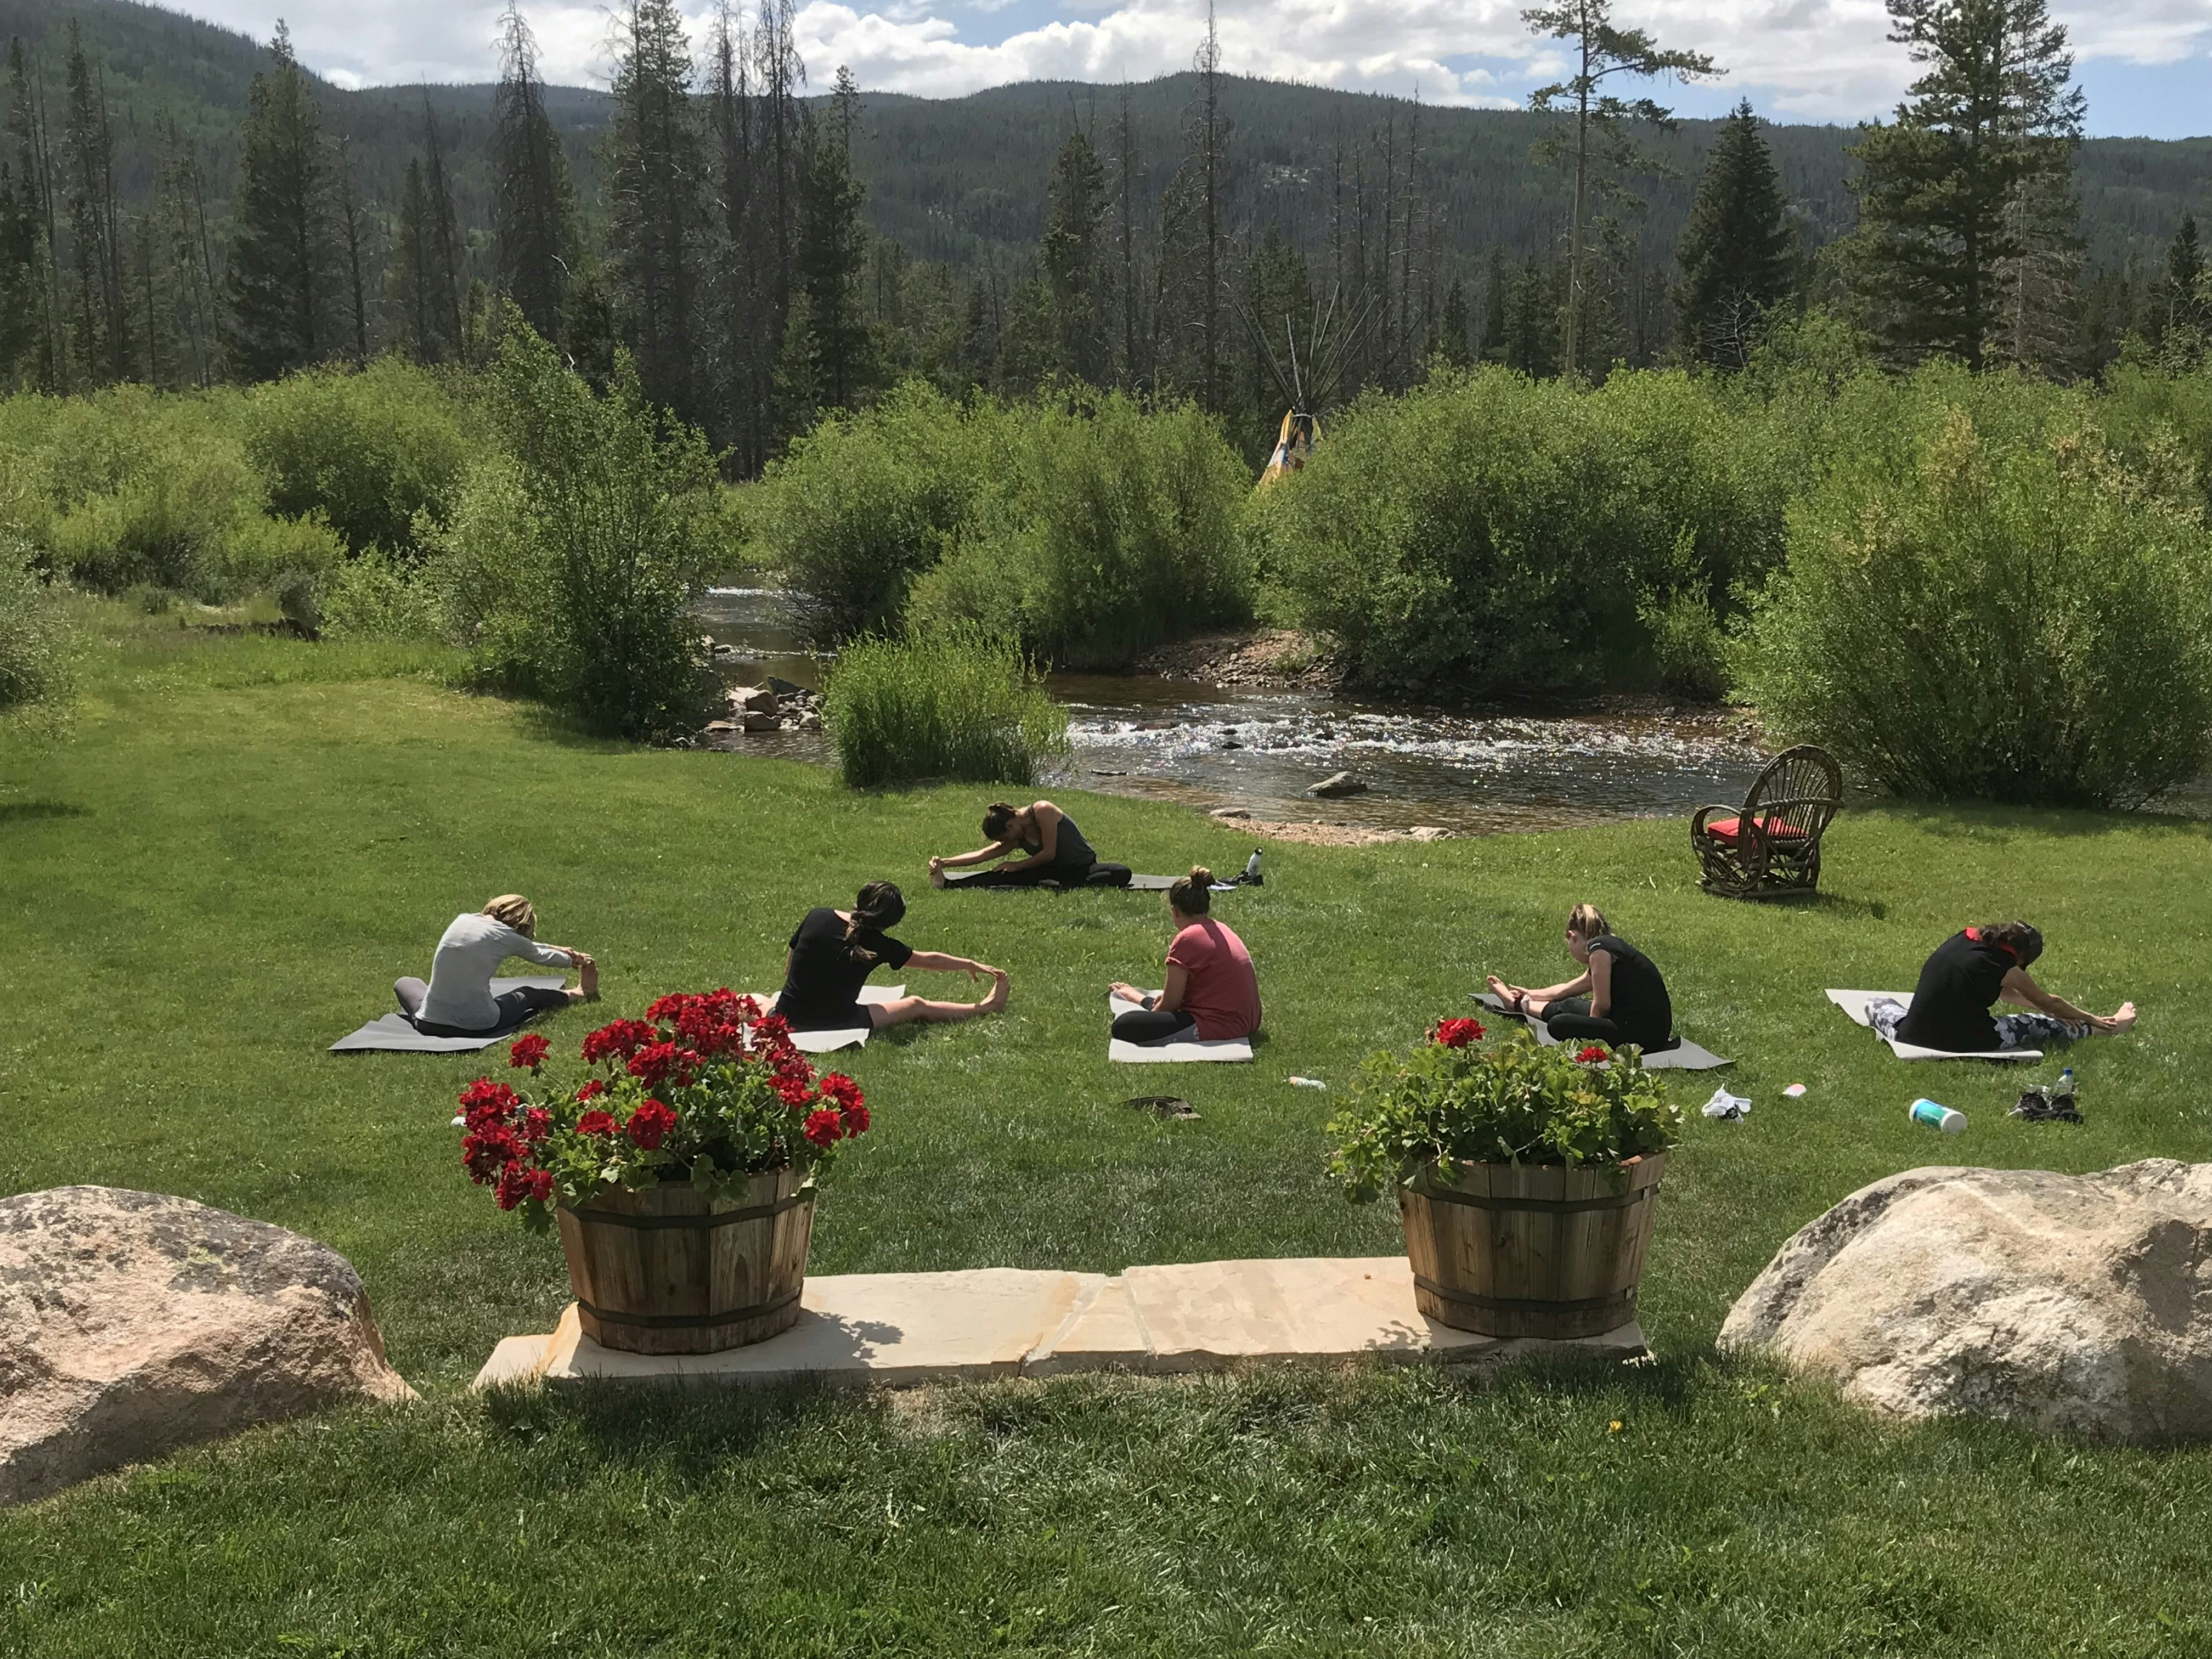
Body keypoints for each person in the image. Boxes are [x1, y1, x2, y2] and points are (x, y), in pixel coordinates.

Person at [776, 881, 1008, 1031]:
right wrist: (968, 963)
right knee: (916, 1005)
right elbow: (930, 960)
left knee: (754, 998)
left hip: (786, 1014)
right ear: (892, 922)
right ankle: (986, 1008)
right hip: (837, 1022)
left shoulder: (818, 916)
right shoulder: (881, 945)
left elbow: (790, 970)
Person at [1876, 922, 2136, 1053]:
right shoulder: (2003, 966)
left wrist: (2043, 1006)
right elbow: (2051, 1002)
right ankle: (2109, 1028)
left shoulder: (1964, 940)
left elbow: (1996, 989)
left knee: (1877, 1006)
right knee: (2037, 1025)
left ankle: (2097, 1025)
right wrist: (2090, 1018)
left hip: (1910, 1034)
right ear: (2022, 955)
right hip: (1963, 1042)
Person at [1485, 903, 1676, 1052]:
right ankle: (1517, 1005)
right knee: (1569, 1005)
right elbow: (1568, 989)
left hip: (1643, 1036)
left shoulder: (1599, 950)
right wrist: (1530, 993)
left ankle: (1519, 1006)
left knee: (1559, 1024)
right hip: (1643, 1027)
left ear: (1572, 936)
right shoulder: (1608, 945)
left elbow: (1602, 1005)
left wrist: (1592, 1034)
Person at [397, 895, 599, 1036]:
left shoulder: (463, 920)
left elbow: (524, 944)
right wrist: (575, 960)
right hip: (479, 1024)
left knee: (405, 982)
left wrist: (560, 949)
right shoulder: (508, 937)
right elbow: (540, 955)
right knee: (528, 994)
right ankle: (581, 993)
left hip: (428, 1022)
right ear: (523, 925)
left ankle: (437, 1011)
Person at [1108, 867, 1261, 1046]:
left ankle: (1139, 1000)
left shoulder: (1186, 939)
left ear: (1175, 911)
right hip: (1248, 1020)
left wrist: (1148, 1011)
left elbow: (1170, 1005)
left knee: (1125, 1025)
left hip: (1222, 1026)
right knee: (1158, 1004)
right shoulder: (1221, 928)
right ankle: (1140, 999)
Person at [929, 799, 1130, 889]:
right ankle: (948, 885)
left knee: (1122, 873)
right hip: (1048, 871)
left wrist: (1018, 865)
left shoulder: (1043, 811)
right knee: (1001, 875)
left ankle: (1061, 883)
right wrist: (944, 863)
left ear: (1010, 825)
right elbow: (984, 855)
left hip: (1082, 867)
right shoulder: (1016, 834)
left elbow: (1049, 853)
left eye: (1004, 839)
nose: (1005, 844)